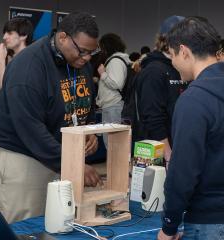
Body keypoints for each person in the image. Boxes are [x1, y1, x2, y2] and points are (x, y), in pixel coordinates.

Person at [0, 12, 102, 223]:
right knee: (23, 228)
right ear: (63, 37)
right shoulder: (28, 68)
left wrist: (89, 130)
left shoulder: (79, 63)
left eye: (92, 52)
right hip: (20, 156)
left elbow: (87, 104)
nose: (87, 58)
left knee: (57, 225)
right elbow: (30, 129)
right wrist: (72, 163)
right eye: (83, 51)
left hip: (55, 154)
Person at [157, 16, 224, 240]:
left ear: (184, 52)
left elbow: (183, 171)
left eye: (172, 55)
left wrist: (169, 226)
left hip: (209, 220)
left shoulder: (194, 100)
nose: (172, 63)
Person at [135, 15, 188, 165]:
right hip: (155, 153)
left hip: (175, 148)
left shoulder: (179, 67)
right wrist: (169, 156)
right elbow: (153, 117)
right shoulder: (153, 71)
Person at [96, 33, 131, 147]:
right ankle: (114, 164)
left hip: (114, 106)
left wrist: (103, 74)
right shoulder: (117, 60)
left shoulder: (115, 61)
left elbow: (117, 83)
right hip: (111, 106)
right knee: (112, 143)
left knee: (113, 143)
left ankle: (116, 165)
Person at [0, 17, 33, 88]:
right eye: (5, 33)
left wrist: (0, 61)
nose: (4, 37)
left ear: (23, 35)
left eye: (10, 33)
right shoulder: (15, 58)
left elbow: (6, 90)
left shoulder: (29, 60)